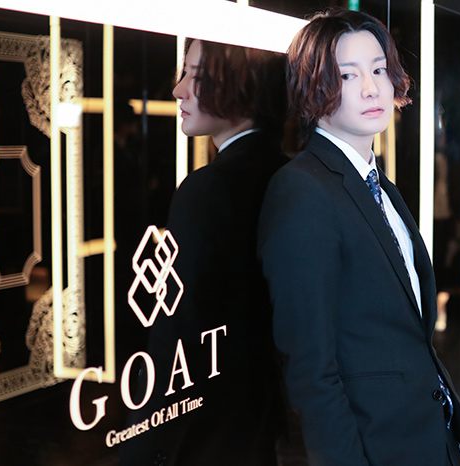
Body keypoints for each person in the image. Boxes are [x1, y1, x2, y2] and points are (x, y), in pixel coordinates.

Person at [257, 9, 460, 466]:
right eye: (348, 75)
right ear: (313, 85)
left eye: (379, 69)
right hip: (375, 447)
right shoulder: (302, 190)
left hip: (424, 433)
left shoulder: (376, 184)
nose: (371, 87)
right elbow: (310, 368)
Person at [120, 39, 288, 466]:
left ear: (243, 82)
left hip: (209, 427)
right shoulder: (287, 173)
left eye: (195, 76)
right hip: (258, 416)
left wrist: (140, 441)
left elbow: (178, 332)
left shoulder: (209, 189)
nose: (178, 90)